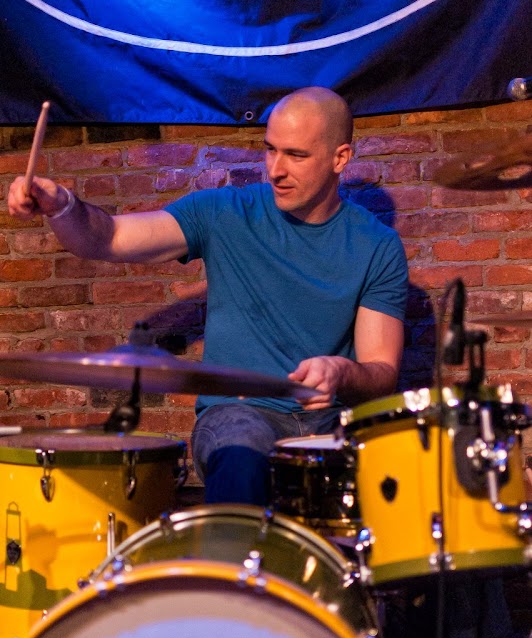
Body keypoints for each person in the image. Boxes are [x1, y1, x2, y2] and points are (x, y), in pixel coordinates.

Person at [8, 86, 408, 504]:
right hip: (240, 413)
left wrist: (342, 372)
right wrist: (61, 205)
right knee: (241, 453)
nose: (276, 169)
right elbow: (107, 237)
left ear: (340, 158)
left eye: (296, 155)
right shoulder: (223, 213)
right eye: (270, 149)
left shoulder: (376, 246)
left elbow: (381, 374)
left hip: (332, 422)